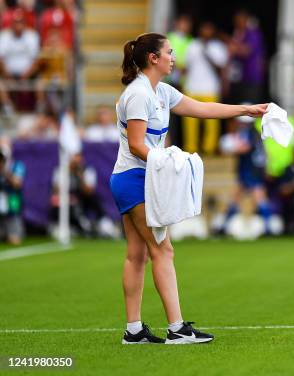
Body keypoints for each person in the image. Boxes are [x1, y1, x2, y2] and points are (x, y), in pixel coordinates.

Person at [110, 32, 268, 344]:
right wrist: (167, 159)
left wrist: (246, 110)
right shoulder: (140, 94)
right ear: (153, 58)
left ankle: (134, 330)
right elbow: (138, 144)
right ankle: (177, 328)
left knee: (137, 255)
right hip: (136, 179)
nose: (173, 57)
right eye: (169, 52)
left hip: (131, 177)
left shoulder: (160, 91)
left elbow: (201, 108)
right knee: (163, 250)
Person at [183, 21, 228, 155]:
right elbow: (185, 67)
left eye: (209, 29)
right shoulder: (192, 45)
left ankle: (209, 149)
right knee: (190, 122)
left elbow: (221, 68)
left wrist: (207, 53)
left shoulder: (218, 47)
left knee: (211, 121)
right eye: (204, 29)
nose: (206, 32)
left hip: (210, 88)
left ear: (212, 31)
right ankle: (190, 149)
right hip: (192, 87)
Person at [50, 153, 105, 237]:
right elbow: (56, 190)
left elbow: (89, 191)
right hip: (66, 200)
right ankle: (65, 226)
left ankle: (99, 223)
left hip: (83, 200)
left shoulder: (87, 170)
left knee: (94, 200)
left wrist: (80, 175)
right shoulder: (61, 171)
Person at [227, 10, 265, 103]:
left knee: (250, 107)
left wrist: (229, 43)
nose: (238, 23)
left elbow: (246, 51)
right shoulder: (237, 34)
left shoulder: (253, 34)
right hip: (238, 78)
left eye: (240, 20)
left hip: (251, 78)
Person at [0, 142, 25, 245]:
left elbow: (17, 183)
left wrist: (5, 171)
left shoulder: (17, 165)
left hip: (12, 201)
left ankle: (13, 231)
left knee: (14, 240)